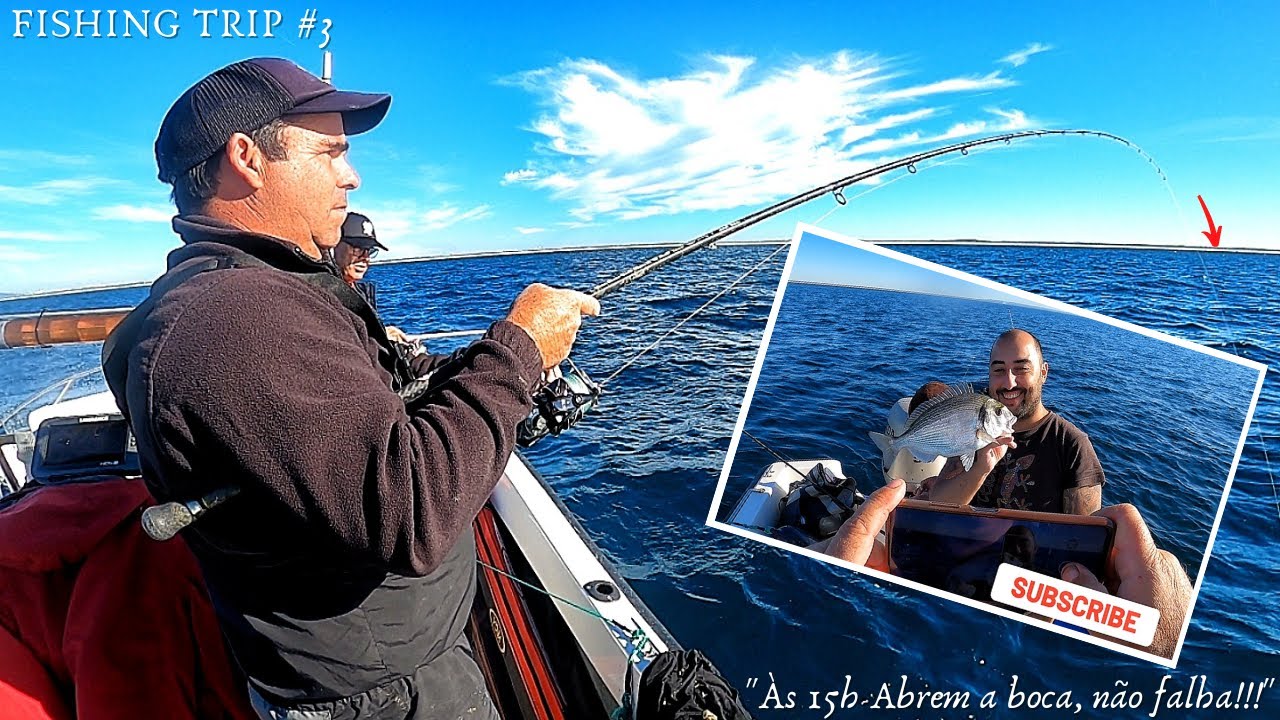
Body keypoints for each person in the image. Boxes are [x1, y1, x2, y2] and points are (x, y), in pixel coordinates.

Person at [102, 57, 598, 719]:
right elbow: (412, 512)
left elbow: (365, 420)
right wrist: (518, 351)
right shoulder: (237, 320)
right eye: (331, 151)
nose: (352, 174)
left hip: (387, 672)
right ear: (246, 157)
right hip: (381, 701)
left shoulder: (257, 296)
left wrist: (475, 365)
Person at [825, 491, 1192, 659]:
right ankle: (1005, 571)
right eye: (998, 368)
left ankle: (985, 571)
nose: (1009, 379)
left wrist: (831, 587)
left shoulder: (1070, 443)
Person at [922, 329, 1103, 515]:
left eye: (1021, 369)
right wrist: (980, 470)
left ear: (1043, 373)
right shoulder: (972, 423)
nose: (1009, 383)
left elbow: (1083, 536)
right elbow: (938, 507)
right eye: (999, 370)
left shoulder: (1072, 446)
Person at [334, 210, 412, 343]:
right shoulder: (323, 293)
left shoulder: (362, 293)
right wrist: (378, 338)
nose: (365, 258)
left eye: (369, 251)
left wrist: (382, 333)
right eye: (357, 249)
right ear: (335, 244)